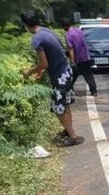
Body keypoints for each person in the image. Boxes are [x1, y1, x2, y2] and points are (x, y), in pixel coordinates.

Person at [20, 11, 84, 146]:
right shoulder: (47, 31)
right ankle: (68, 130)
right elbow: (57, 54)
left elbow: (44, 63)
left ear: (25, 25)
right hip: (67, 72)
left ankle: (73, 137)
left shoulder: (37, 38)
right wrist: (41, 72)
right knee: (64, 104)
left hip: (59, 76)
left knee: (59, 107)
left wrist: (29, 72)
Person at [62, 18, 97, 96]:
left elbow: (71, 49)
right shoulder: (79, 31)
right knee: (89, 75)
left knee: (72, 76)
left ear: (65, 26)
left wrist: (72, 61)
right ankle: (94, 91)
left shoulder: (68, 35)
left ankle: (67, 91)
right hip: (86, 56)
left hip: (78, 59)